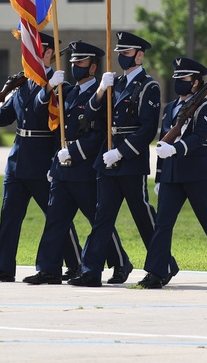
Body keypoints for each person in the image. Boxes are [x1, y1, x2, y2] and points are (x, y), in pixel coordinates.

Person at [67, 31, 176, 287]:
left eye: (126, 54)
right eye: (120, 54)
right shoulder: (113, 83)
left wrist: (121, 151)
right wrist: (101, 90)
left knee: (143, 216)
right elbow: (92, 114)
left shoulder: (149, 86)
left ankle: (162, 268)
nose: (122, 58)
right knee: (102, 216)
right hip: (107, 159)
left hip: (130, 160)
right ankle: (90, 271)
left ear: (139, 55)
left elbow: (147, 129)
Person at [22, 40, 133, 285]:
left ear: (93, 68)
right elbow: (43, 116)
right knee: (55, 219)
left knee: (97, 220)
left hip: (86, 166)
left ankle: (120, 262)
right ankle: (48, 269)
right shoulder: (68, 92)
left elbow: (100, 133)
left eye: (80, 62)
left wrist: (75, 151)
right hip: (63, 165)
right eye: (72, 62)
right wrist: (49, 88)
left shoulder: (104, 93)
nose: (75, 66)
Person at [0, 32, 82, 282]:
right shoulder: (23, 83)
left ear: (47, 53)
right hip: (17, 160)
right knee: (9, 216)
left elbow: (59, 128)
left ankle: (76, 263)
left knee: (57, 216)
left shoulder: (60, 86)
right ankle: (2, 267)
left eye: (34, 52)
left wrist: (56, 160)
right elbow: (8, 116)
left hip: (43, 160)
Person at [138, 56, 207, 289]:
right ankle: (157, 271)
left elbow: (199, 137)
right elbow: (164, 144)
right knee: (163, 223)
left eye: (183, 78)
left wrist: (176, 148)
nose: (178, 82)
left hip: (198, 172)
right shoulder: (170, 107)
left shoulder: (206, 106)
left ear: (196, 82)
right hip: (172, 175)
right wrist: (160, 176)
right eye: (176, 78)